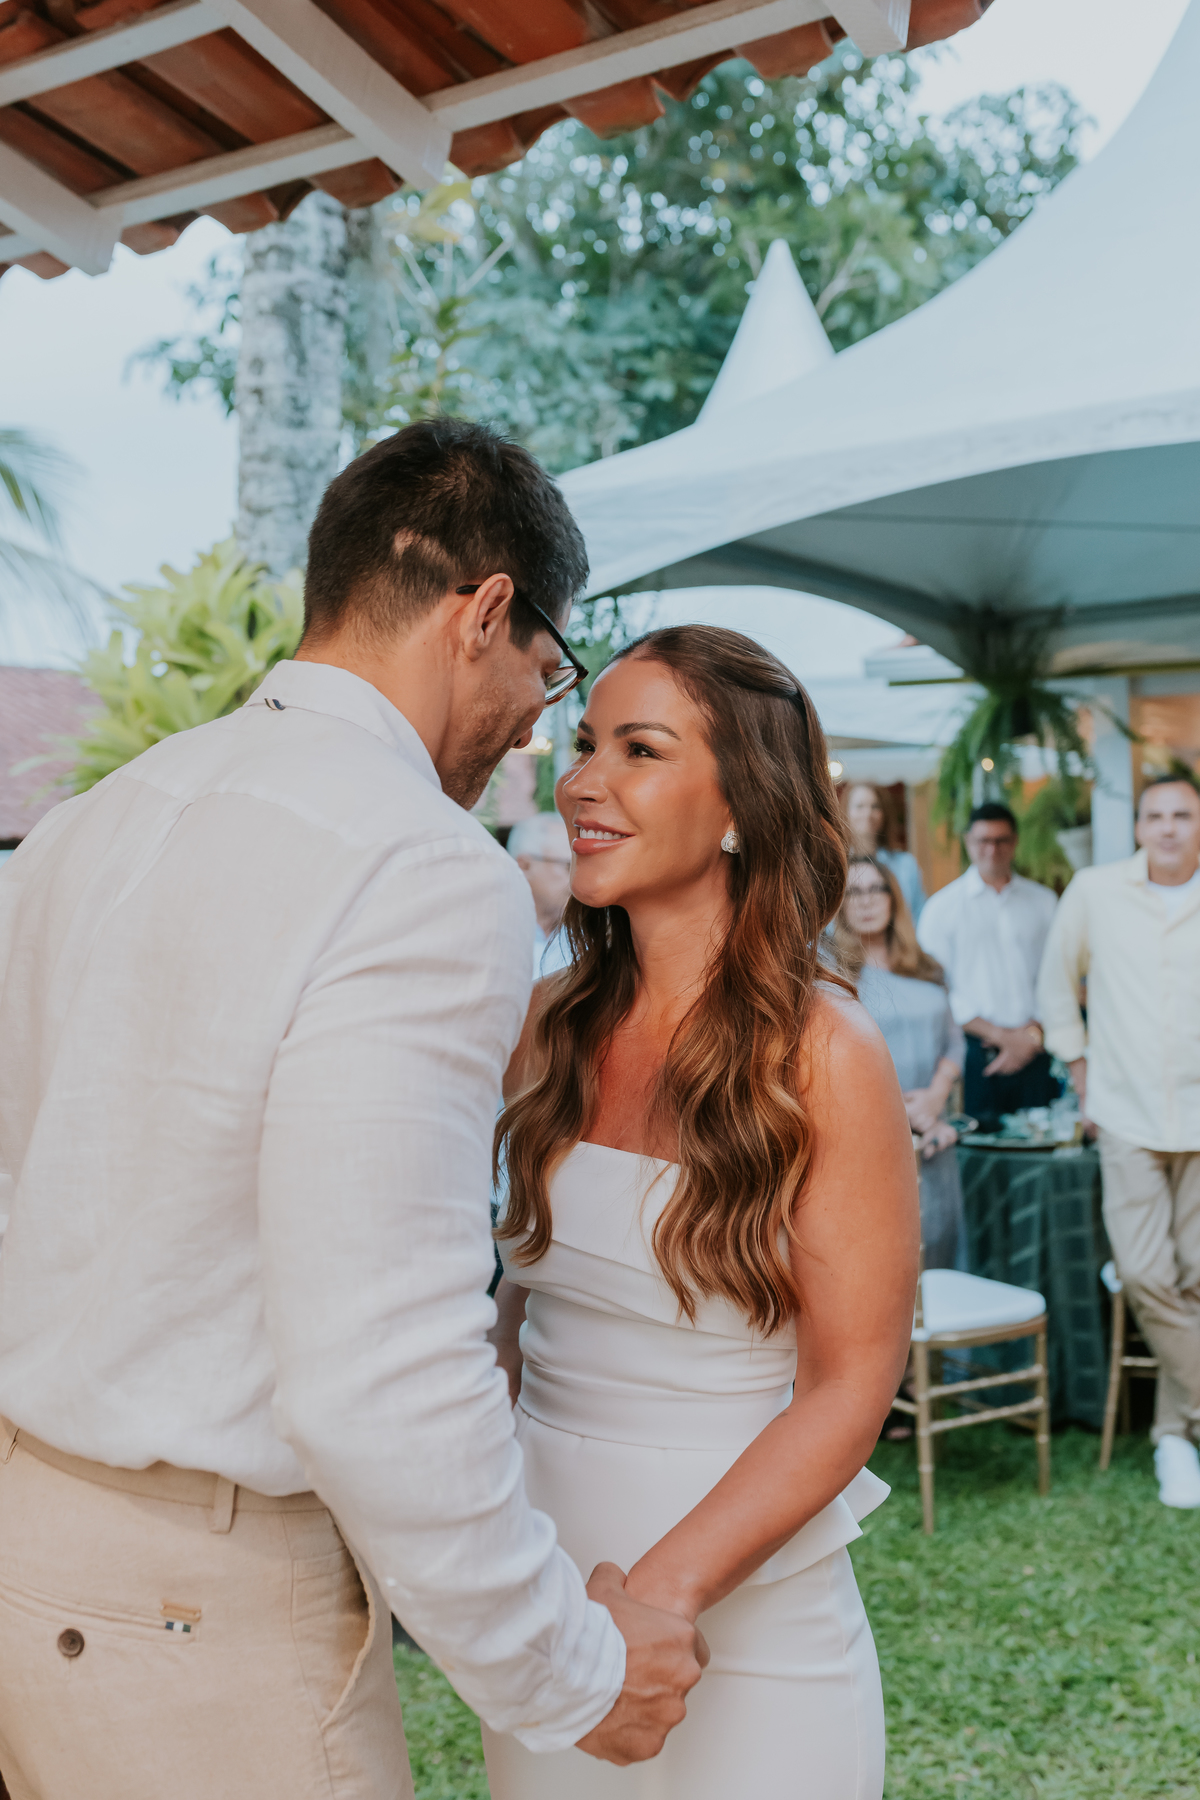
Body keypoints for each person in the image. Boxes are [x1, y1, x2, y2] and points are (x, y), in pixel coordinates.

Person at [0, 420, 706, 1800]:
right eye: (547, 675)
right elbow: (379, 1369)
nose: (536, 729)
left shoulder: (90, 823)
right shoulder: (424, 869)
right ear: (486, 612)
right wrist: (573, 1673)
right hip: (195, 1607)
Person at [483, 626, 920, 1800]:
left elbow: (851, 1381)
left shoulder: (827, 1055)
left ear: (741, 806)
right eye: (584, 745)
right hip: (549, 1603)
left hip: (750, 1610)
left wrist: (660, 1595)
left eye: (639, 749)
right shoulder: (540, 1025)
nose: (582, 780)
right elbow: (522, 1303)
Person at [1038, 773, 1200, 1510]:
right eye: (1155, 815)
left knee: (1195, 1283)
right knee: (1144, 1274)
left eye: (1182, 815)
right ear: (1138, 825)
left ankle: (1172, 1437)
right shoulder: (1096, 892)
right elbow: (1053, 983)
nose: (1168, 827)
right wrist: (1079, 1070)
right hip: (1127, 1117)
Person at [836, 856, 965, 1270]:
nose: (866, 901)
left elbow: (955, 1042)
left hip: (933, 1137)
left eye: (876, 889)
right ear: (838, 904)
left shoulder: (926, 967)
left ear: (894, 899)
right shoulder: (830, 972)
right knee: (882, 1261)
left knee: (940, 1252)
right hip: (865, 1138)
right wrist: (897, 1112)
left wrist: (935, 1098)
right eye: (853, 892)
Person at [917, 802, 1058, 1129]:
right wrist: (1002, 1037)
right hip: (974, 1052)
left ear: (1015, 842)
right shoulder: (942, 909)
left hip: (1036, 1045)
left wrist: (1029, 1037)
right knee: (980, 1158)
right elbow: (937, 987)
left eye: (1001, 840)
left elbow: (1054, 977)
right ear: (968, 842)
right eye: (983, 841)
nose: (992, 849)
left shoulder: (1044, 902)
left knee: (1039, 1151)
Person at [843, 781, 926, 922]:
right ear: (845, 813)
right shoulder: (835, 867)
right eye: (859, 806)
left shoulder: (906, 865)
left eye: (875, 806)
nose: (868, 813)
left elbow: (920, 915)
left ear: (884, 814)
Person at [507, 810, 573, 978]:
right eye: (568, 866)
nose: (578, 877)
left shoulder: (587, 937)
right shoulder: (492, 929)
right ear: (524, 865)